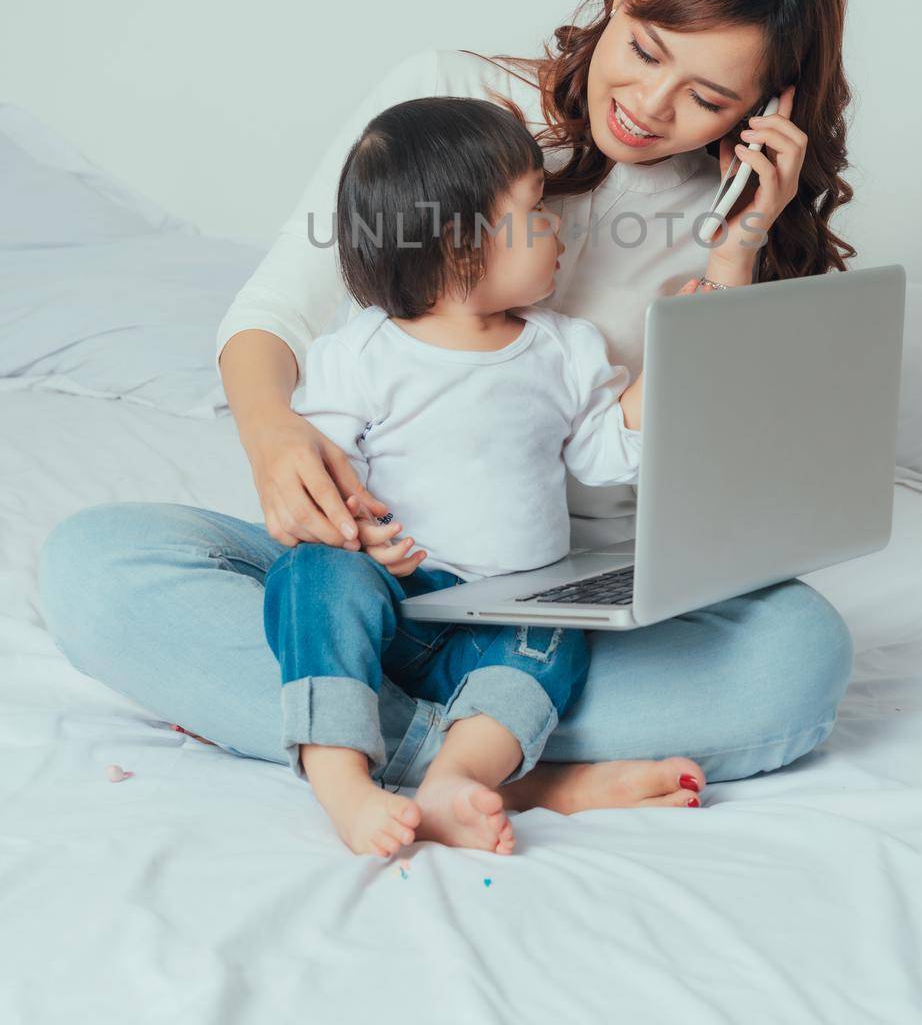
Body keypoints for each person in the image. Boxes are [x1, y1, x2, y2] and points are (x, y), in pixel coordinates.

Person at [38, 0, 857, 820]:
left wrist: (740, 246)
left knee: (799, 654)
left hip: (567, 605)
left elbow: (705, 477)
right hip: (390, 572)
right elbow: (277, 314)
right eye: (644, 51)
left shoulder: (728, 227)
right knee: (93, 564)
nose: (648, 106)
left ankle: (332, 729)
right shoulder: (448, 101)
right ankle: (512, 770)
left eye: (709, 98)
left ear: (767, 106)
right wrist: (275, 440)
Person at [266, 94, 699, 858]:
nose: (558, 225)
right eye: (536, 209)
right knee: (310, 574)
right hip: (395, 606)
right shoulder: (362, 352)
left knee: (558, 630)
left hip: (507, 613)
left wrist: (678, 363)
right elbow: (327, 477)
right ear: (462, 244)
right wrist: (359, 537)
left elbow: (603, 449)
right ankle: (340, 778)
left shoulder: (564, 349)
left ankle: (458, 779)